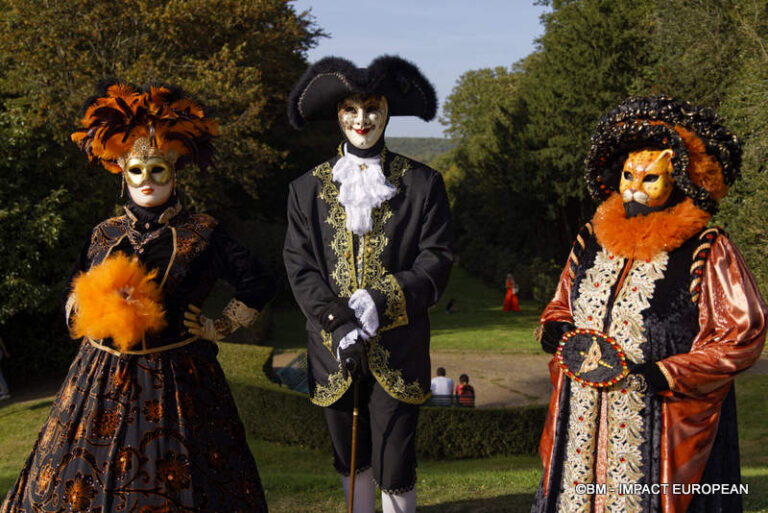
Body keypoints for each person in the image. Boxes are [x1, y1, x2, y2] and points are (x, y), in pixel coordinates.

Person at [1, 81, 274, 513]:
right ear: (122, 174)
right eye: (136, 171)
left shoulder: (202, 231)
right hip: (98, 377)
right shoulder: (104, 233)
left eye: (157, 170)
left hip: (179, 379)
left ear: (174, 171)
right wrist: (86, 308)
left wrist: (216, 325)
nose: (146, 180)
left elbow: (258, 281)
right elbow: (76, 282)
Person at [531, 97, 766, 513]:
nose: (633, 187)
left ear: (680, 179)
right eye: (627, 175)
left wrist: (667, 373)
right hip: (581, 420)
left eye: (650, 177)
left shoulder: (706, 249)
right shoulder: (591, 238)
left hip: (661, 429)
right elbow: (563, 303)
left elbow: (741, 334)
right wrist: (555, 327)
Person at [284, 55, 453, 513]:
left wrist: (382, 299)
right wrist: (338, 322)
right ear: (338, 114)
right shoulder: (306, 189)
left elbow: (436, 261)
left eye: (373, 108)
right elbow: (300, 267)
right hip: (331, 346)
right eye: (351, 110)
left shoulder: (423, 184)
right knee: (348, 456)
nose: (362, 120)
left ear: (387, 112)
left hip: (400, 346)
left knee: (395, 459)